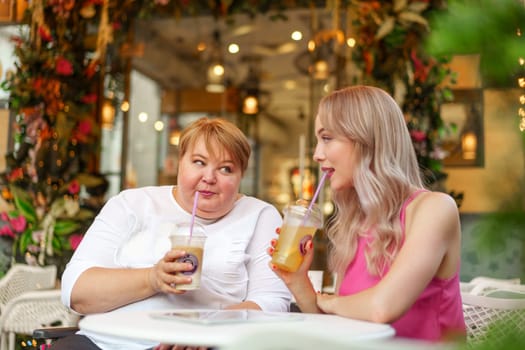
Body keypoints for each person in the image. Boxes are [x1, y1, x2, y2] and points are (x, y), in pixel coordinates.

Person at [55, 117, 291, 350]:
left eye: (225, 169)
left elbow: (272, 303)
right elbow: (75, 291)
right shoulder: (131, 204)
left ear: (241, 176)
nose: (209, 178)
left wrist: (207, 328)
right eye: (199, 162)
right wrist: (152, 279)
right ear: (181, 162)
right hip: (102, 343)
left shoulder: (260, 216)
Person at [268, 85, 466, 342]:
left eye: (327, 138)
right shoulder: (355, 224)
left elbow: (381, 308)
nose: (317, 154)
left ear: (367, 141)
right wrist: (297, 281)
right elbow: (340, 331)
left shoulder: (435, 209)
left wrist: (333, 302)